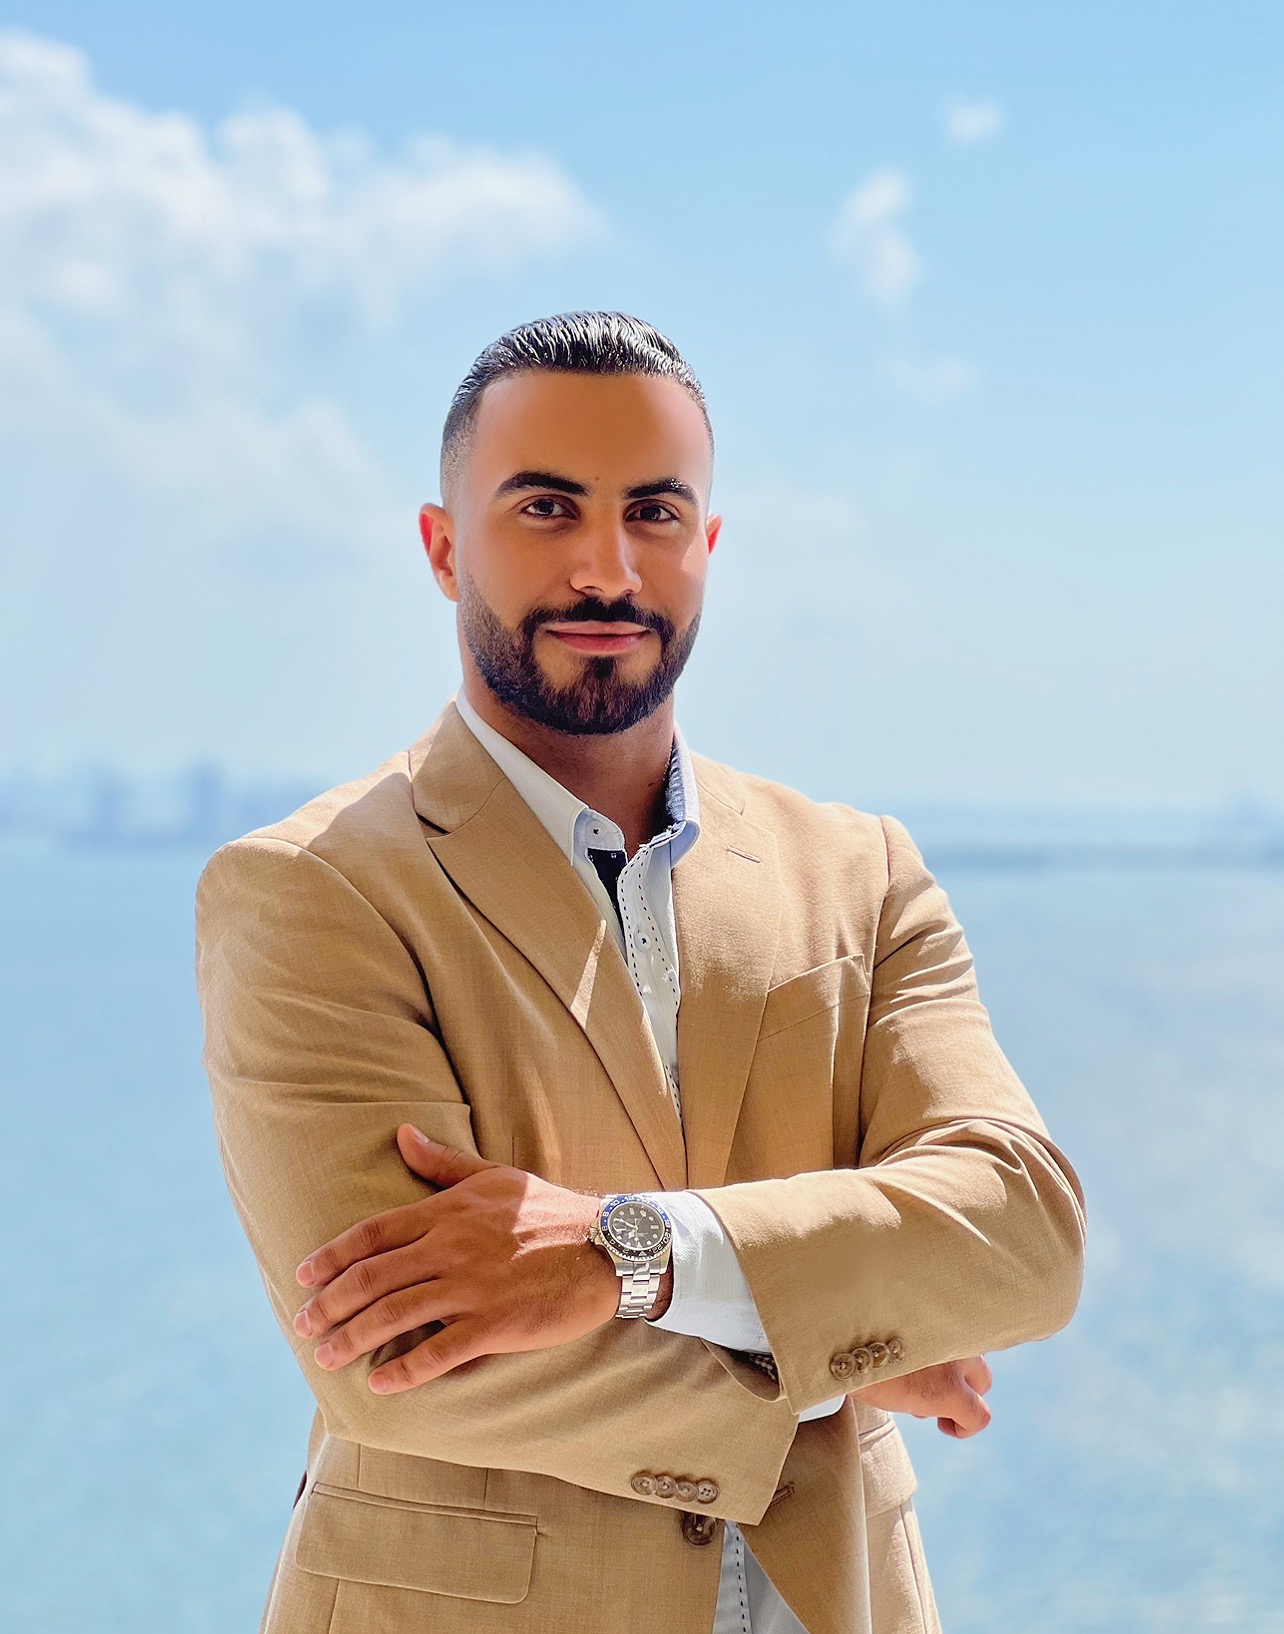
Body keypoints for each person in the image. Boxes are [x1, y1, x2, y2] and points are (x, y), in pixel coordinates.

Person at [196, 311, 1085, 1634]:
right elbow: (398, 1355)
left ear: (706, 545)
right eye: (546, 507)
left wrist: (631, 1256)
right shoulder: (312, 888)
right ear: (443, 548)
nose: (606, 568)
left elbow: (1023, 1234)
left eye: (653, 513)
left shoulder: (862, 873)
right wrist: (840, 1340)